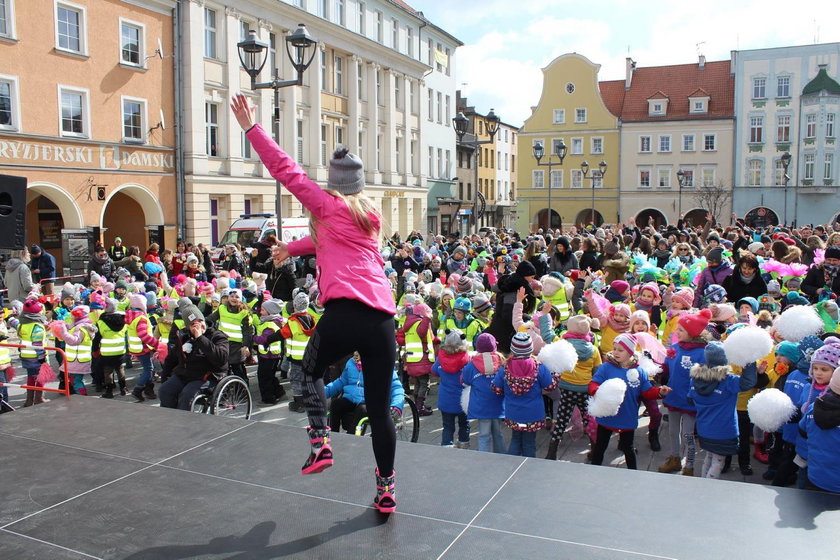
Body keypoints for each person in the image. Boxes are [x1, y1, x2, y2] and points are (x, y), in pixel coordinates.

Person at [234, 93, 398, 514]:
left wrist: (253, 128)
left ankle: (320, 442)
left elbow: (287, 171)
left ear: (332, 184)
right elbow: (329, 242)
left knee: (305, 371)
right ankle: (385, 491)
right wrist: (293, 247)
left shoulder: (326, 206)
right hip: (381, 320)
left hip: (344, 313)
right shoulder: (368, 217)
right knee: (379, 413)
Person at [158, 302, 229, 410]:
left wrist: (200, 338)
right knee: (165, 390)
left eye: (200, 321)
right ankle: (170, 417)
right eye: (193, 324)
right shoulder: (184, 337)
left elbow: (221, 359)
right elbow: (171, 358)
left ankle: (184, 423)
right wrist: (165, 377)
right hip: (185, 374)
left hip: (207, 376)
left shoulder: (218, 336)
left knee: (187, 395)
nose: (198, 326)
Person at [324, 353, 405, 434]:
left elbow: (396, 387)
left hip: (372, 401)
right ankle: (333, 436)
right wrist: (322, 393)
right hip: (352, 398)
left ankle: (351, 438)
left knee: (362, 409)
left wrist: (397, 406)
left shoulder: (382, 362)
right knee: (336, 404)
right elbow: (341, 381)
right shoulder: (351, 362)